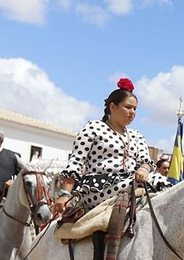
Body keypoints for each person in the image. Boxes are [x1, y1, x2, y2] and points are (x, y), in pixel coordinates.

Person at [52, 79, 152, 217]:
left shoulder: (137, 135)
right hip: (97, 188)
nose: (132, 112)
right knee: (137, 183)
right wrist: (64, 194)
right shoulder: (93, 127)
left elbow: (145, 160)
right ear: (113, 107)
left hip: (133, 182)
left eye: (135, 109)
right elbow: (76, 161)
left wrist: (144, 169)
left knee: (162, 183)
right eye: (128, 107)